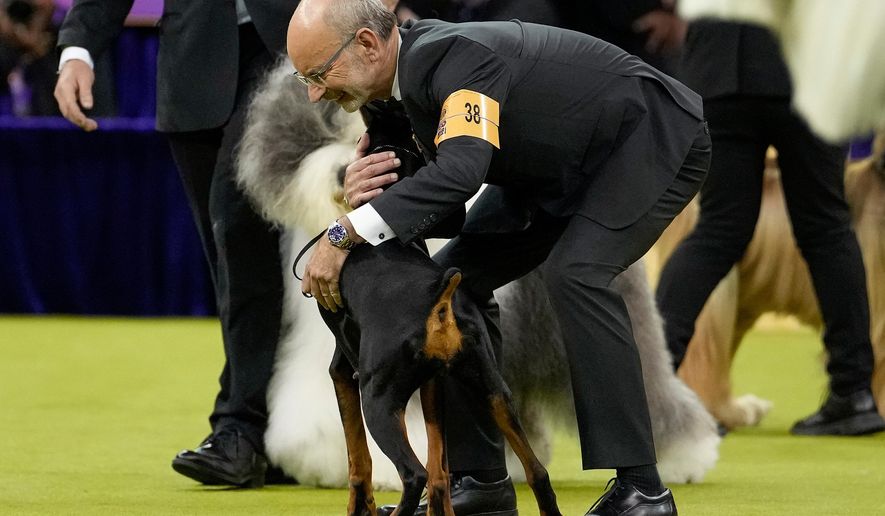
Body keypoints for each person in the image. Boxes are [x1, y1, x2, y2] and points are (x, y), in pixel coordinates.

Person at [288, 0, 710, 514]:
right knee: (447, 286)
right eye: (303, 78)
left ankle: (642, 490)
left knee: (578, 273)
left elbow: (462, 173)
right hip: (551, 168)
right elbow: (439, 208)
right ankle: (481, 480)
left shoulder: (456, 59)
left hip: (649, 139)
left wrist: (343, 234)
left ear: (369, 45)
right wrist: (366, 189)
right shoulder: (380, 95)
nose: (313, 92)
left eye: (317, 72)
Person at [54, 0, 299, 487]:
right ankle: (274, 433)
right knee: (227, 257)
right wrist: (77, 47)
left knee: (236, 226)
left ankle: (239, 427)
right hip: (194, 67)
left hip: (291, 52)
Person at [655, 19, 885, 437]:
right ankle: (853, 394)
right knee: (827, 229)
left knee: (718, 231)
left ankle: (652, 389)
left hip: (721, 65)